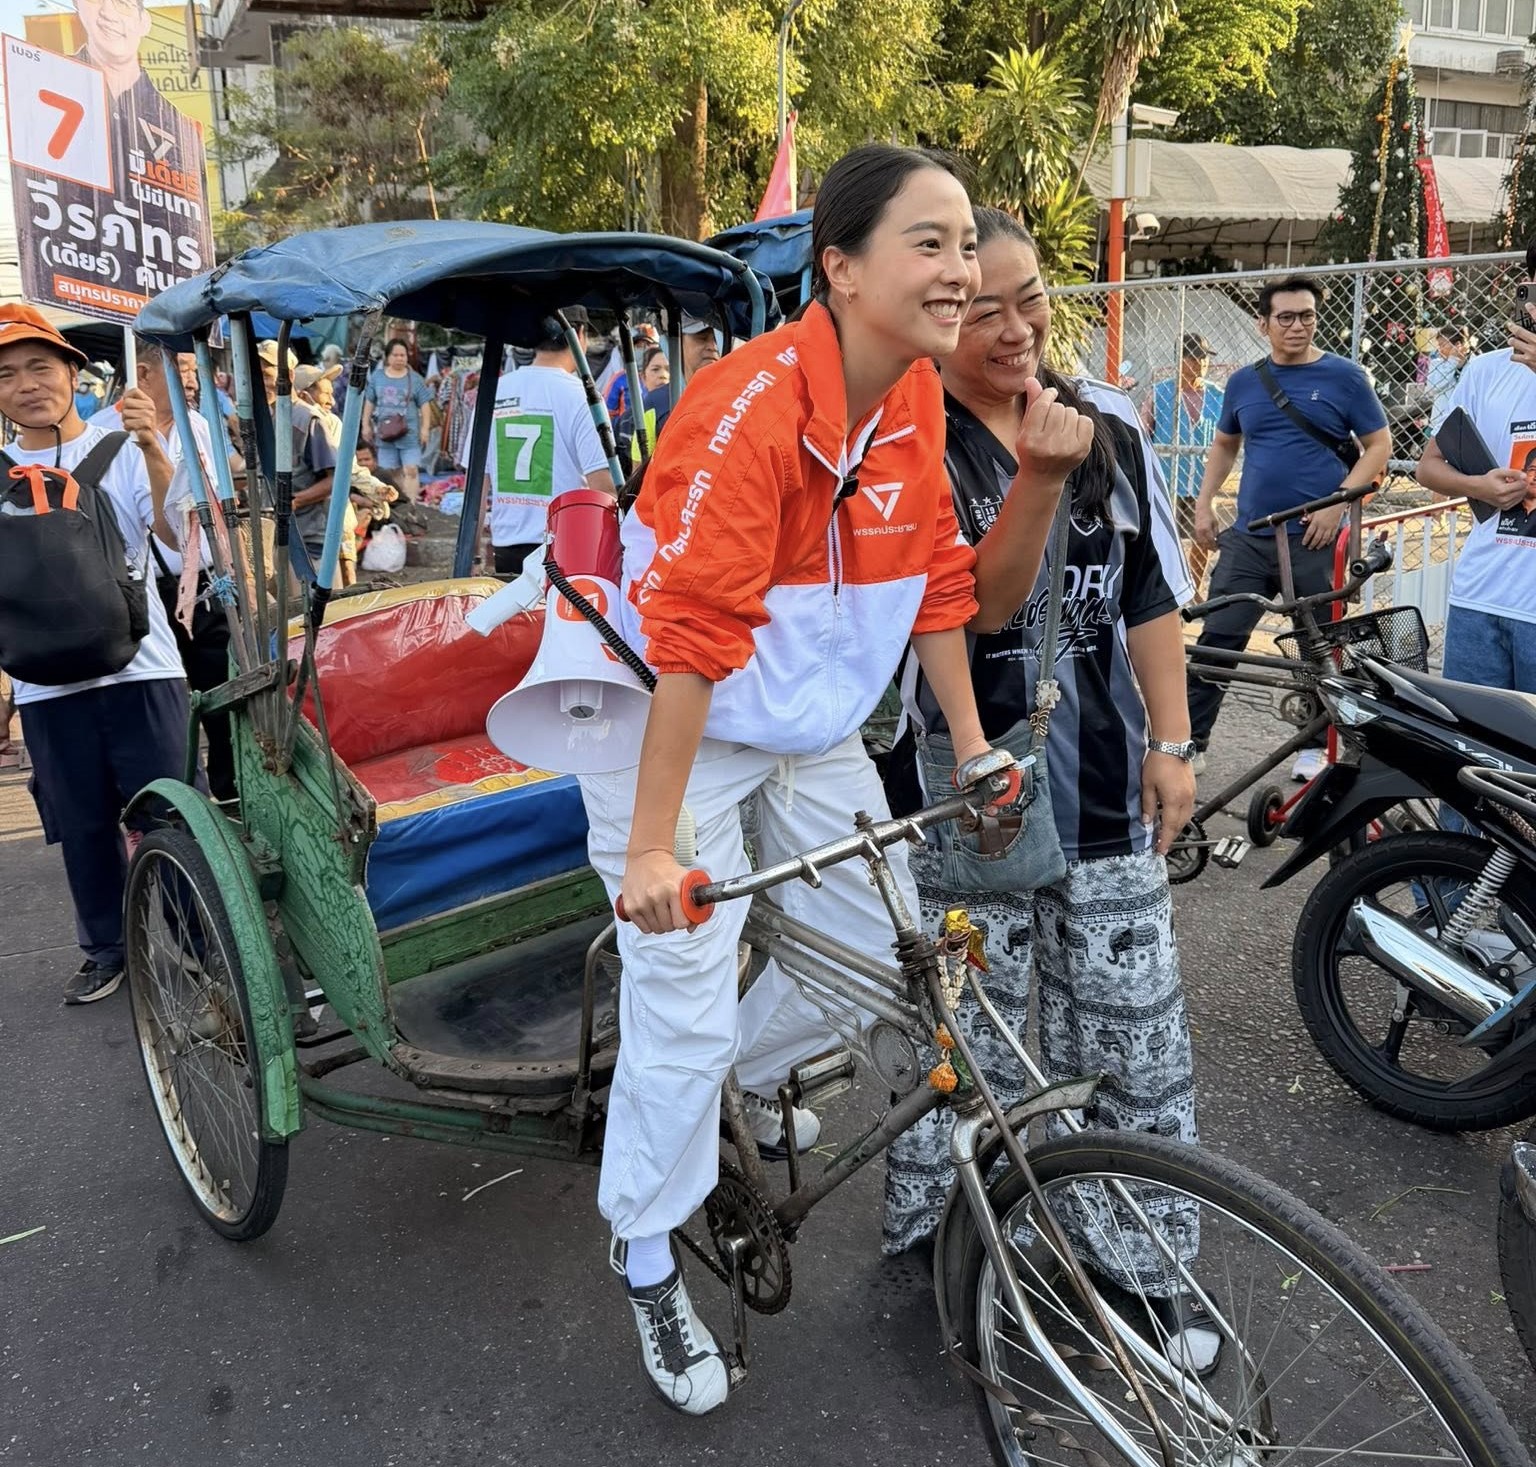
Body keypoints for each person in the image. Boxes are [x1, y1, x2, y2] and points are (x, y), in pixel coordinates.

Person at [583, 143, 1057, 1417]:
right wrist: (650, 853)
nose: (962, 271)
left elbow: (939, 581)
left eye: (967, 244)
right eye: (929, 243)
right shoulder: (748, 409)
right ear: (840, 269)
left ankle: (717, 1090)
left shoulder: (912, 398)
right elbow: (688, 642)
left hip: (810, 726)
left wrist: (973, 744)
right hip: (677, 723)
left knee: (878, 960)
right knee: (681, 1004)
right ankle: (645, 1249)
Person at [878, 208, 1215, 1368]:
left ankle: (1141, 1268)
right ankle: (953, 1249)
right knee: (967, 1047)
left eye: (1030, 300)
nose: (1016, 327)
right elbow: (975, 610)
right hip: (966, 800)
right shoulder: (908, 440)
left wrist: (1175, 742)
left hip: (1107, 793)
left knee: (1134, 1046)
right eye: (984, 308)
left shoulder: (1107, 423)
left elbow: (1148, 597)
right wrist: (1035, 476)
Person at [0, 304, 187, 1005]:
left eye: (40, 366)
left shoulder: (124, 447)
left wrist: (156, 449)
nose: (27, 384)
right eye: (6, 375)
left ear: (73, 373)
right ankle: (108, 950)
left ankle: (204, 947)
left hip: (144, 670)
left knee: (170, 820)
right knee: (81, 830)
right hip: (44, 686)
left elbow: (176, 542)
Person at [1188, 276, 1391, 780]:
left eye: (1307, 316)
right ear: (1264, 324)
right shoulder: (1244, 382)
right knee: (1217, 639)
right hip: (1250, 538)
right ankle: (1190, 743)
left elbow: (1379, 446)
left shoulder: (1345, 377)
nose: (1297, 326)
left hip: (1314, 540)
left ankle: (1316, 747)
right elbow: (1225, 445)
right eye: (1286, 317)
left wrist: (1337, 504)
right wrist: (1205, 503)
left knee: (1318, 647)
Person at [94, 339, 236, 801]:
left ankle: (230, 799)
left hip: (209, 588)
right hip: (143, 596)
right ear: (144, 374)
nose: (192, 380)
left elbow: (217, 503)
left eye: (194, 370)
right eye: (182, 369)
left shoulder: (200, 426)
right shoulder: (101, 435)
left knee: (226, 702)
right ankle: (173, 808)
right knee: (164, 711)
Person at [1414, 240, 1536, 695]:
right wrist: (1478, 486)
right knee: (1472, 734)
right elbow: (1429, 466)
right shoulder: (1486, 371)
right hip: (1480, 597)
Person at [486, 306, 615, 574]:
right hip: (562, 546)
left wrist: (474, 553)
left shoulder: (495, 391)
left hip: (506, 546)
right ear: (580, 335)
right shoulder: (584, 397)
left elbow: (477, 483)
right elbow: (602, 489)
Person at [1142, 332, 1224, 592]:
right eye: (1195, 358)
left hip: (1202, 482)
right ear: (1181, 360)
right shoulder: (1160, 393)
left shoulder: (1217, 395)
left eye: (1204, 358)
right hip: (1167, 482)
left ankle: (1194, 590)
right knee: (1164, 539)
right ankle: (1167, 588)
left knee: (1203, 538)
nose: (1201, 363)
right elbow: (1143, 432)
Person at [257, 341, 338, 588]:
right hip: (275, 539)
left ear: (289, 376)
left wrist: (295, 501)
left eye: (267, 376)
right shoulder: (265, 418)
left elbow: (334, 480)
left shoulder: (307, 420)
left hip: (307, 540)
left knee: (313, 606)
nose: (261, 383)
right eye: (257, 376)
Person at [295, 363, 357, 587]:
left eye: (332, 393)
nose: (332, 401)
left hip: (330, 516)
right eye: (325, 394)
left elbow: (347, 471)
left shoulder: (327, 423)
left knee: (344, 571)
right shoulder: (305, 421)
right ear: (304, 394)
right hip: (313, 523)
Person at [361, 339, 433, 503]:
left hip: (410, 434)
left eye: (403, 355)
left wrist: (425, 429)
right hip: (385, 435)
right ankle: (398, 504)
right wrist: (365, 425)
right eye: (395, 355)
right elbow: (369, 402)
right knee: (390, 472)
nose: (400, 358)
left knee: (411, 469)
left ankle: (411, 504)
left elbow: (425, 405)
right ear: (387, 357)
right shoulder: (378, 377)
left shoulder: (415, 379)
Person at [639, 315, 722, 442]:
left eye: (717, 339)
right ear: (677, 343)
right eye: (702, 338)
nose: (712, 346)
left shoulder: (738, 397)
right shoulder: (655, 404)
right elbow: (641, 454)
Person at [1426, 325, 1469, 436]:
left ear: (1458, 345)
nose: (1440, 349)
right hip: (1438, 424)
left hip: (1464, 425)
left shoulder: (1473, 364)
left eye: (1443, 345)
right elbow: (1432, 388)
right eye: (1439, 345)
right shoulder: (1437, 364)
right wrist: (1452, 361)